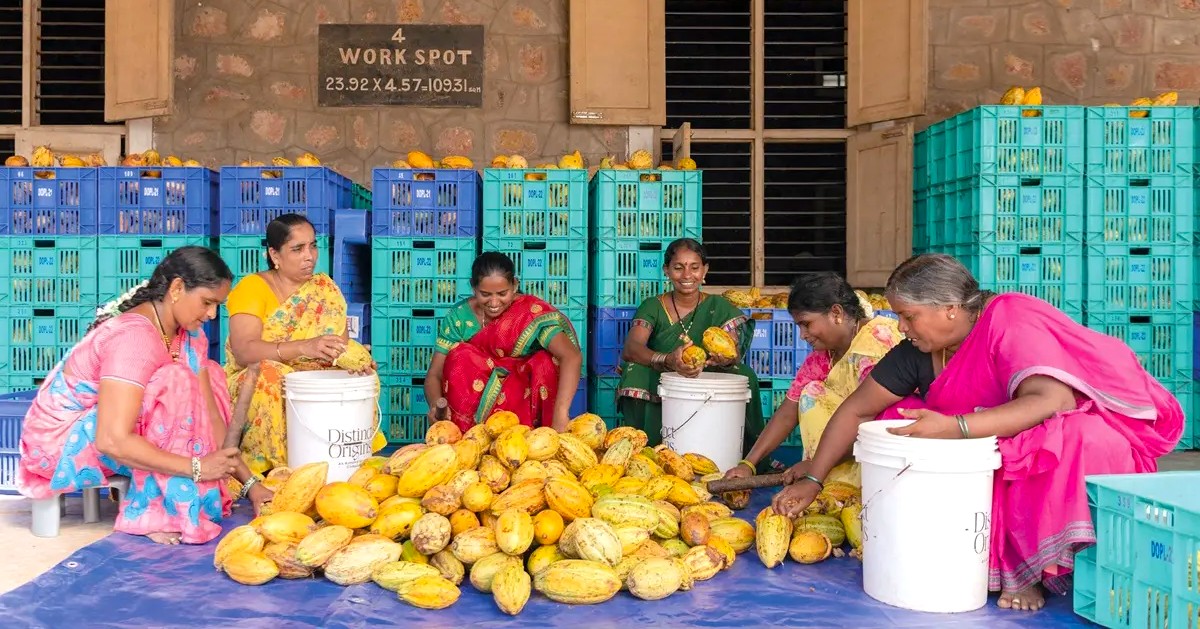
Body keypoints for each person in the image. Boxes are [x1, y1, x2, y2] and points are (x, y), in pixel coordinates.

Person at [771, 253, 1184, 612]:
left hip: (1053, 428)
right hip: (992, 432)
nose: (901, 327)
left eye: (909, 316)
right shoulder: (917, 351)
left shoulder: (1008, 320)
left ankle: (1029, 565)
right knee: (897, 417)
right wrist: (812, 477)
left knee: (1079, 437)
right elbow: (856, 410)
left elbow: (1050, 399)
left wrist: (955, 427)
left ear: (950, 308)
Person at [17, 246, 270, 545]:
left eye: (218, 306)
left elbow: (211, 419)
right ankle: (155, 511)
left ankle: (173, 497)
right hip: (59, 444)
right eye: (207, 303)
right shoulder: (133, 338)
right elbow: (111, 439)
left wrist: (251, 484)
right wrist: (197, 468)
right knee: (175, 383)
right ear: (177, 288)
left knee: (209, 375)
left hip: (109, 432)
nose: (212, 315)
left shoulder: (189, 336)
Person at [224, 213, 385, 476]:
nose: (309, 256)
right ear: (275, 255)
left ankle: (336, 463)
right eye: (297, 249)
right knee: (271, 377)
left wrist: (351, 358)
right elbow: (244, 352)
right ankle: (273, 470)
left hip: (311, 378)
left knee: (361, 376)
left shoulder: (324, 289)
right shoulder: (252, 288)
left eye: (312, 246)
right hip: (255, 376)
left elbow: (337, 343)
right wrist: (303, 347)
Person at [722, 272, 903, 486]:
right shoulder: (824, 355)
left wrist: (816, 465)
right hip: (837, 457)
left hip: (883, 457)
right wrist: (748, 464)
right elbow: (789, 410)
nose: (802, 335)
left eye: (806, 324)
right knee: (810, 393)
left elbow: (877, 422)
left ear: (836, 313)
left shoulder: (875, 344)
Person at [616, 238, 763, 450]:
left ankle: (750, 456)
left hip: (707, 371)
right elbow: (632, 348)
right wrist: (668, 360)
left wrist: (726, 360)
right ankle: (645, 449)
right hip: (663, 372)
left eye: (694, 268)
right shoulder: (653, 305)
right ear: (666, 270)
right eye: (678, 268)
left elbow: (734, 352)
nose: (687, 276)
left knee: (745, 375)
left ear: (705, 270)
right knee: (634, 371)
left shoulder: (718, 306)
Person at [425, 252, 583, 432]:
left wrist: (561, 414)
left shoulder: (530, 313)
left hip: (522, 400)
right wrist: (436, 405)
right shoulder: (459, 317)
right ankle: (465, 438)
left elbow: (571, 356)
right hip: (474, 408)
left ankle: (537, 436)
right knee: (461, 357)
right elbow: (434, 374)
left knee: (545, 362)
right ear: (473, 287)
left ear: (515, 285)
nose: (494, 302)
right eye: (485, 294)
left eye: (502, 293)